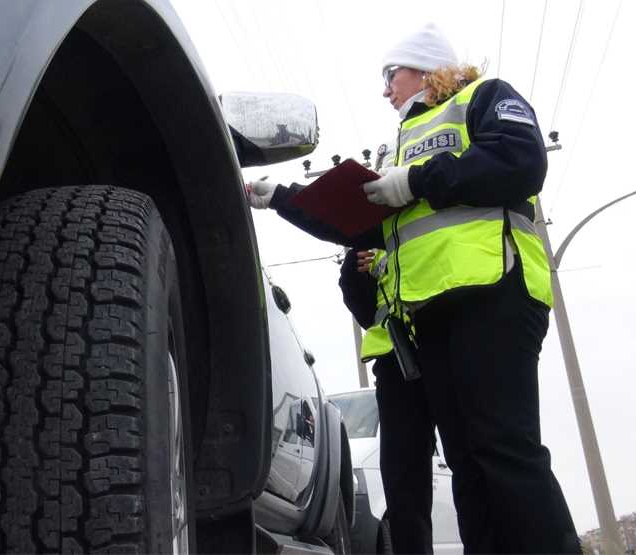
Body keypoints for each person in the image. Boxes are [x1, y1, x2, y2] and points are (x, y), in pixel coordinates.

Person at [246, 22, 581, 554]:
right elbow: (359, 225)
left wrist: (418, 180)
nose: (386, 90)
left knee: (504, 451)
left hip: (493, 295)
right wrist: (280, 196)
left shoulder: (484, 97)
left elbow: (521, 160)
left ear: (427, 68)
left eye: (391, 75)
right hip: (430, 317)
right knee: (469, 463)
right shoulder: (395, 150)